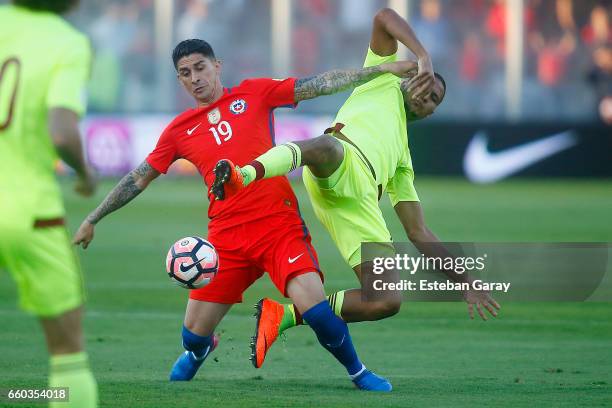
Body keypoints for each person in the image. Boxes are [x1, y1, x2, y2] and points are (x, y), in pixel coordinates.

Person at [73, 38, 417, 391]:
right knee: (191, 336)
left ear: (217, 65)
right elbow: (138, 177)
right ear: (180, 81)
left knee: (316, 311)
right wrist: (93, 218)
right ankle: (199, 350)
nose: (195, 78)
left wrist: (380, 69)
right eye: (185, 73)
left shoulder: (255, 93)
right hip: (226, 240)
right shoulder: (179, 130)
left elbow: (318, 84)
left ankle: (358, 373)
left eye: (200, 67)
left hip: (277, 226)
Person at [211, 8, 501, 368]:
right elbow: (383, 16)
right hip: (342, 160)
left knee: (386, 300)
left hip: (359, 204)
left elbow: (418, 231)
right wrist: (423, 56)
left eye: (435, 100)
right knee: (325, 146)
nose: (428, 98)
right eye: (427, 86)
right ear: (412, 78)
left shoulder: (402, 160)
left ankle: (285, 315)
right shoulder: (382, 79)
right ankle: (244, 175)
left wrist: (465, 281)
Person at [0, 1, 98, 407]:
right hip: (27, 211)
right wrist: (84, 173)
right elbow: (61, 132)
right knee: (67, 352)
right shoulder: (67, 43)